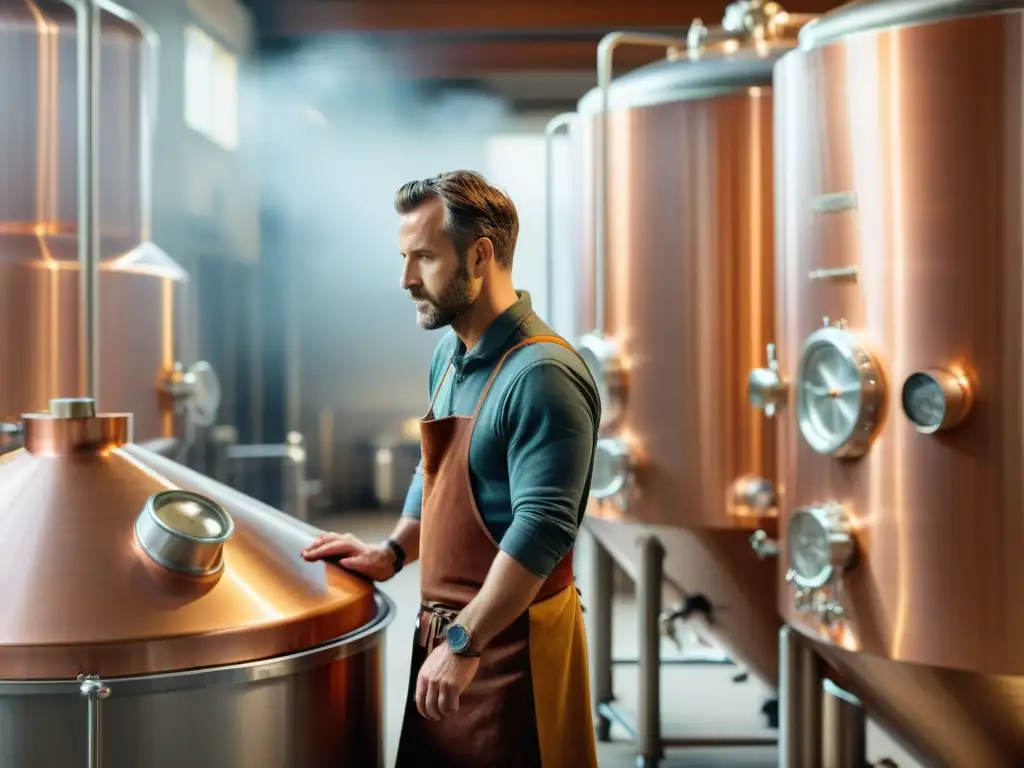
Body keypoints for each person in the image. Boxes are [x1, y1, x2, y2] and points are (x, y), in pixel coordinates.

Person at [301, 170, 601, 767]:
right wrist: (391, 552)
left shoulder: (541, 375)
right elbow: (433, 470)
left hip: (513, 646)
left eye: (424, 258)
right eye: (405, 258)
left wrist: (465, 642)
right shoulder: (450, 354)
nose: (406, 279)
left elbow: (542, 526)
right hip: (449, 636)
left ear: (480, 255)